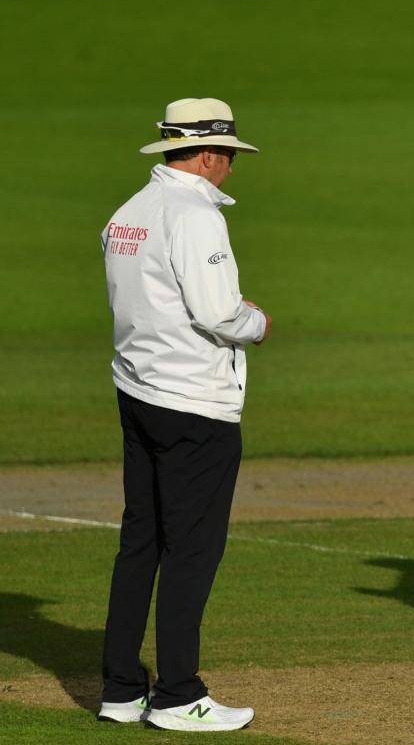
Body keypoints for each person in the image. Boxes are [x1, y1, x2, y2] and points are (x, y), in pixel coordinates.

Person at [97, 98, 270, 731]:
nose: (230, 167)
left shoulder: (129, 212)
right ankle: (176, 694)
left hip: (137, 390)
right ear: (207, 154)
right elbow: (218, 313)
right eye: (228, 156)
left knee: (140, 541)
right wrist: (256, 321)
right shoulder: (194, 214)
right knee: (191, 550)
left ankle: (120, 688)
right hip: (193, 401)